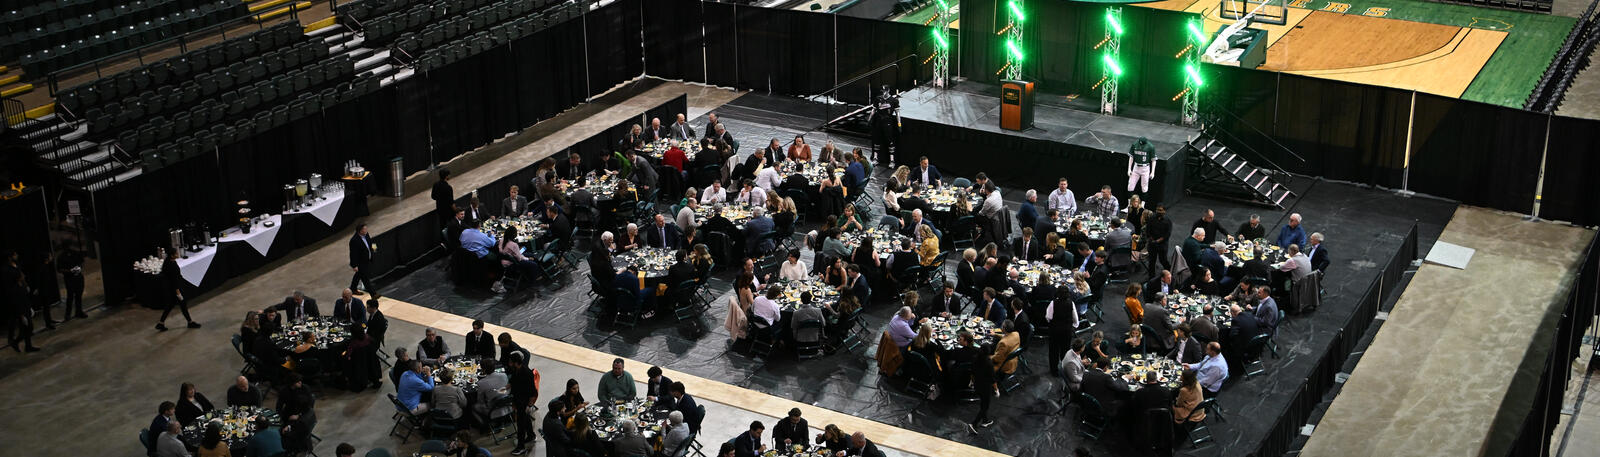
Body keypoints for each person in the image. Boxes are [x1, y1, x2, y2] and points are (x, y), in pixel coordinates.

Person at [152, 248, 198, 333]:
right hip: (175, 289)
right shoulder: (171, 265)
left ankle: (161, 323)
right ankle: (190, 322)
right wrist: (178, 293)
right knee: (183, 304)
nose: (177, 254)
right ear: (172, 255)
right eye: (176, 253)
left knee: (170, 305)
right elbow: (173, 280)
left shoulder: (170, 261)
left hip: (172, 288)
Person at [508, 353, 540, 456]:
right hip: (518, 399)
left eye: (511, 362)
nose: (509, 363)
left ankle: (521, 447)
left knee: (520, 425)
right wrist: (506, 387)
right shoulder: (516, 370)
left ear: (516, 363)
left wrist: (529, 406)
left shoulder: (526, 373)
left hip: (524, 402)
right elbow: (512, 381)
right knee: (525, 419)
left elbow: (532, 391)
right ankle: (531, 435)